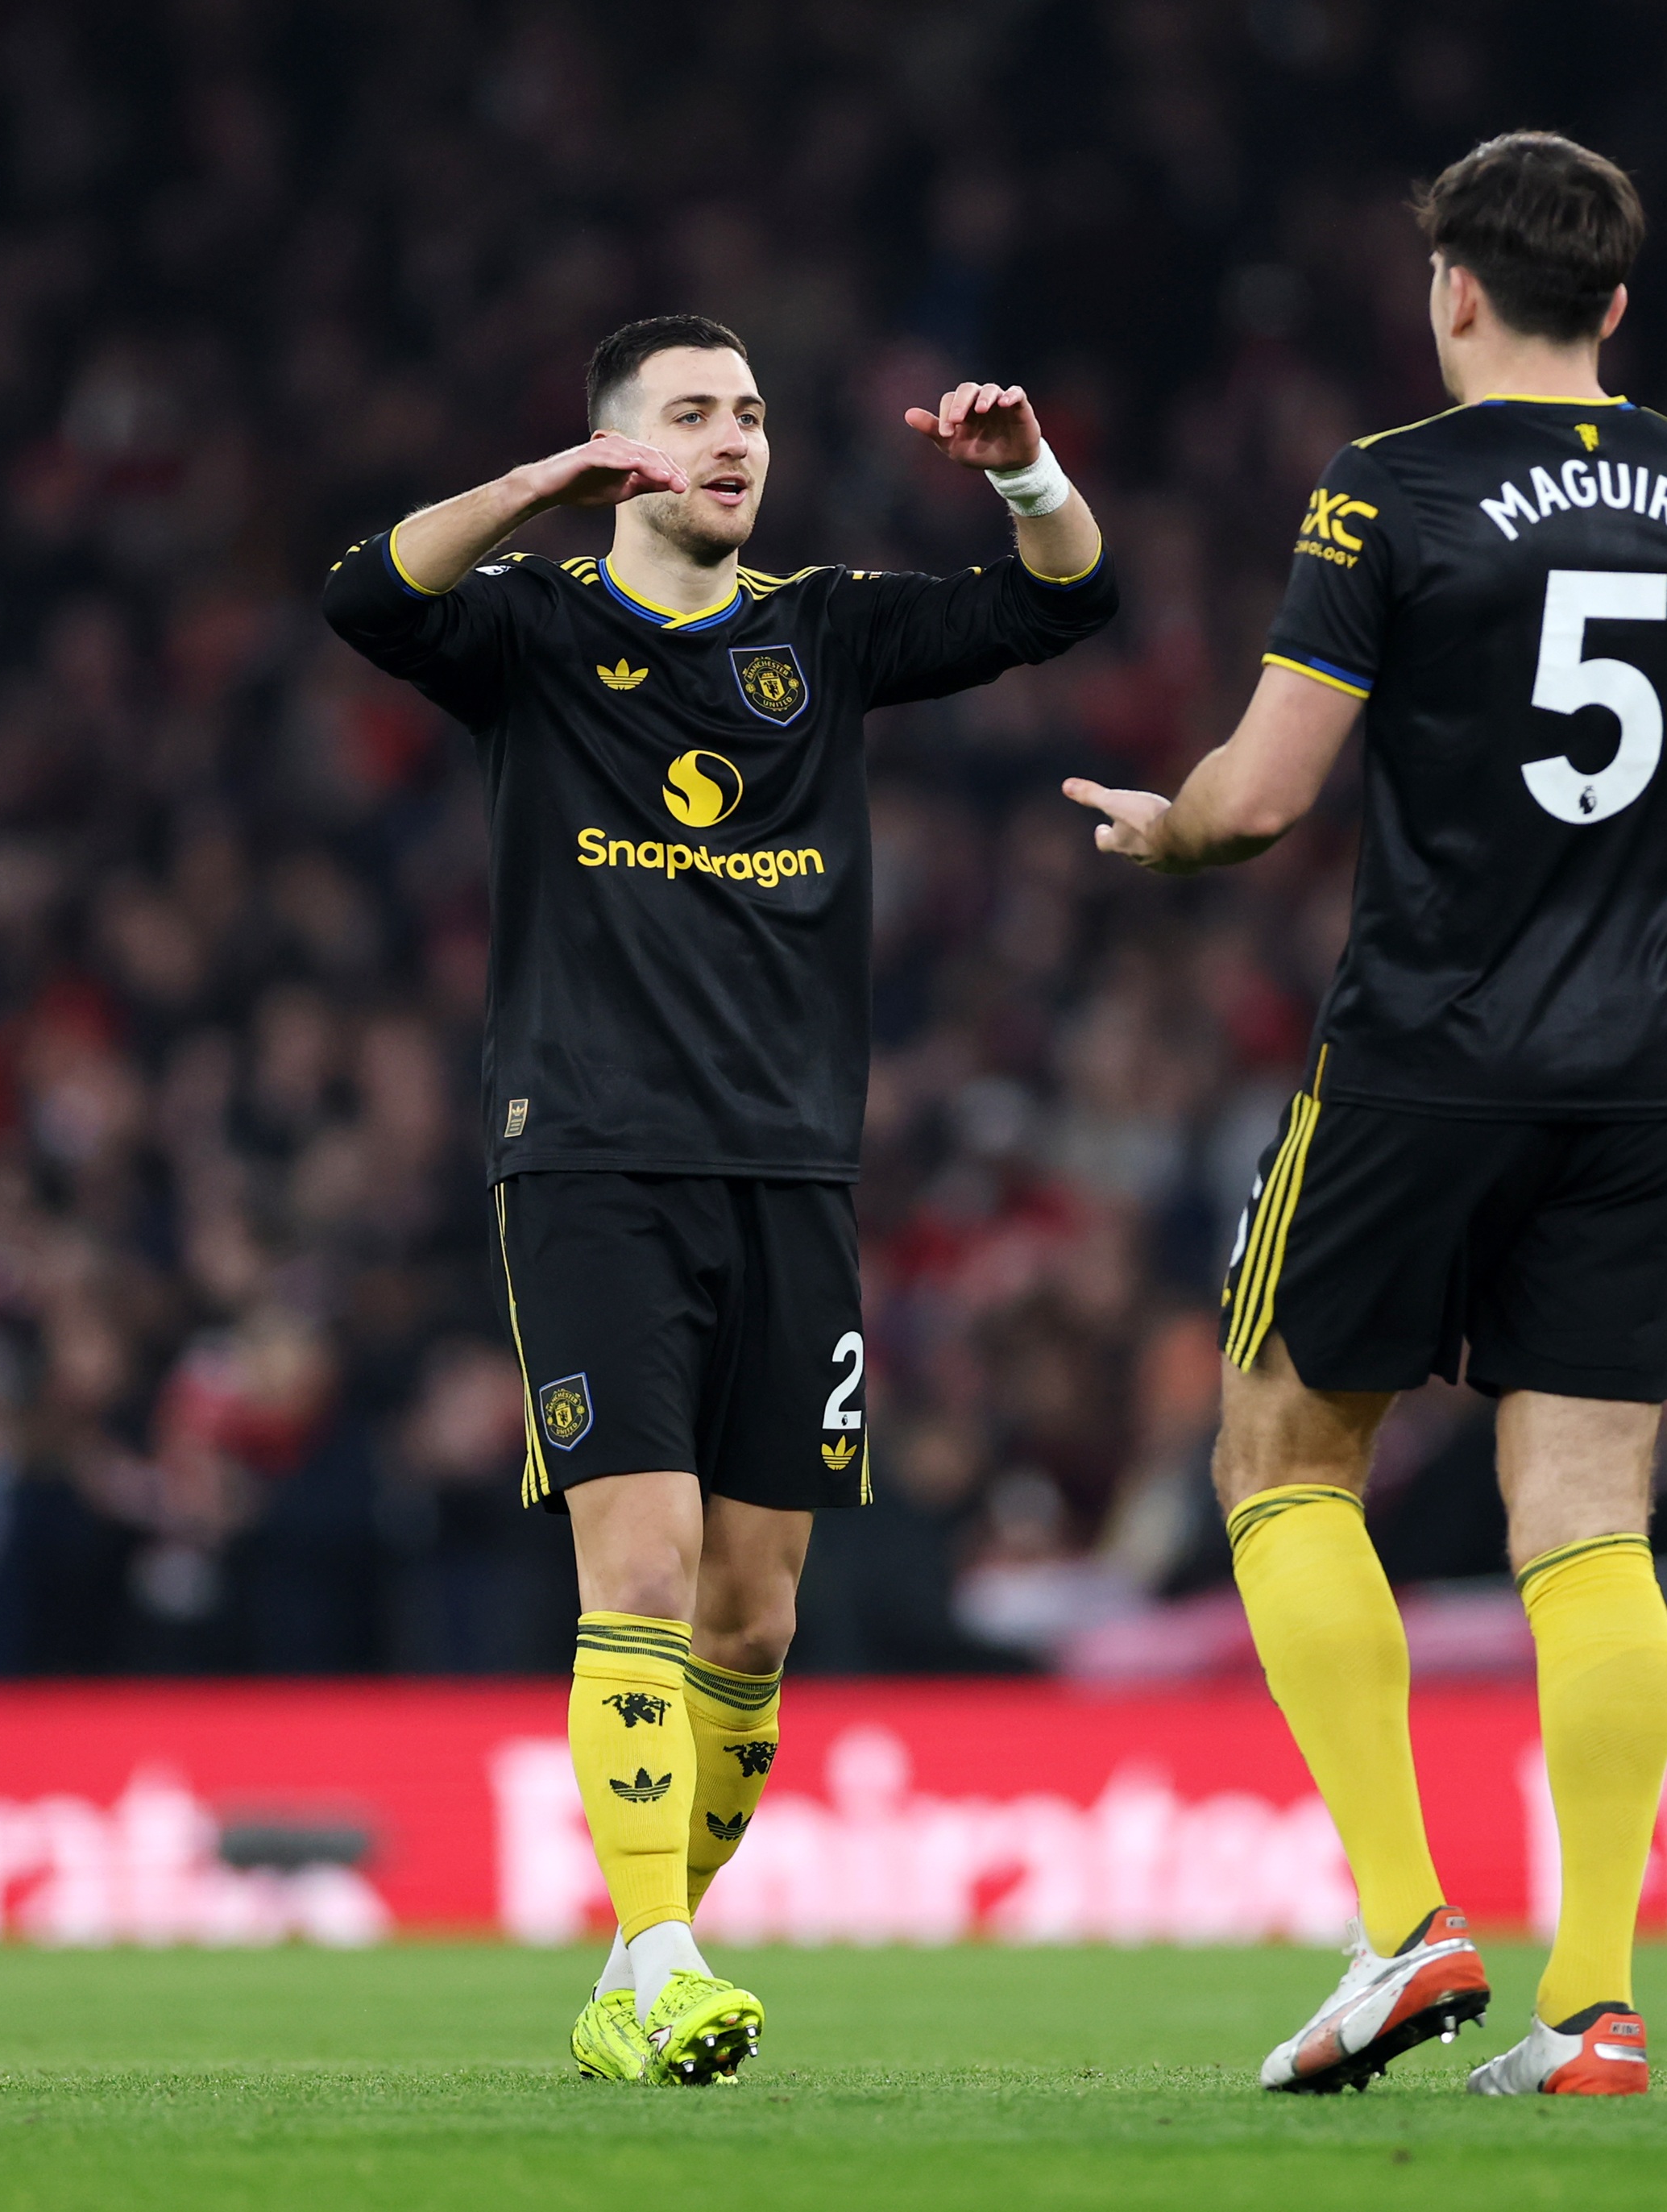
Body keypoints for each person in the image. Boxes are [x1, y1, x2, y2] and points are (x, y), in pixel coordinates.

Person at [1067, 132, 1667, 2098]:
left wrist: (1168, 832)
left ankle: (1404, 1922)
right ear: (1614, 304)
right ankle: (1599, 1999)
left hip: (1420, 1057)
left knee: (1280, 1452)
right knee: (1591, 1517)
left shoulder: (1386, 486)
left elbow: (1264, 793)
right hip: (1640, 1074)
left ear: (1453, 289)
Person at [325, 315, 1113, 2084]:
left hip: (794, 1170)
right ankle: (671, 1958)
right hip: (591, 1159)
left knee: (754, 1619)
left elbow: (1067, 601)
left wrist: (1028, 479)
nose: (736, 440)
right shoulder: (532, 629)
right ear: (618, 450)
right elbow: (363, 594)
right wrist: (536, 489)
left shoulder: (821, 628)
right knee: (648, 1564)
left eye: (750, 413)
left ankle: (638, 1960)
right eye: (691, 415)